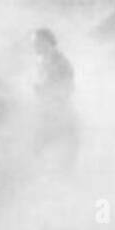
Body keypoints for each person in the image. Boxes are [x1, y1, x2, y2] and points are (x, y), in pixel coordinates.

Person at [31, 28, 78, 168]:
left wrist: (46, 91)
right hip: (45, 113)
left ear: (48, 42)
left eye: (38, 43)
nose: (35, 47)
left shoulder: (61, 63)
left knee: (60, 159)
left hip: (60, 115)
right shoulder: (41, 62)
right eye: (34, 44)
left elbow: (67, 89)